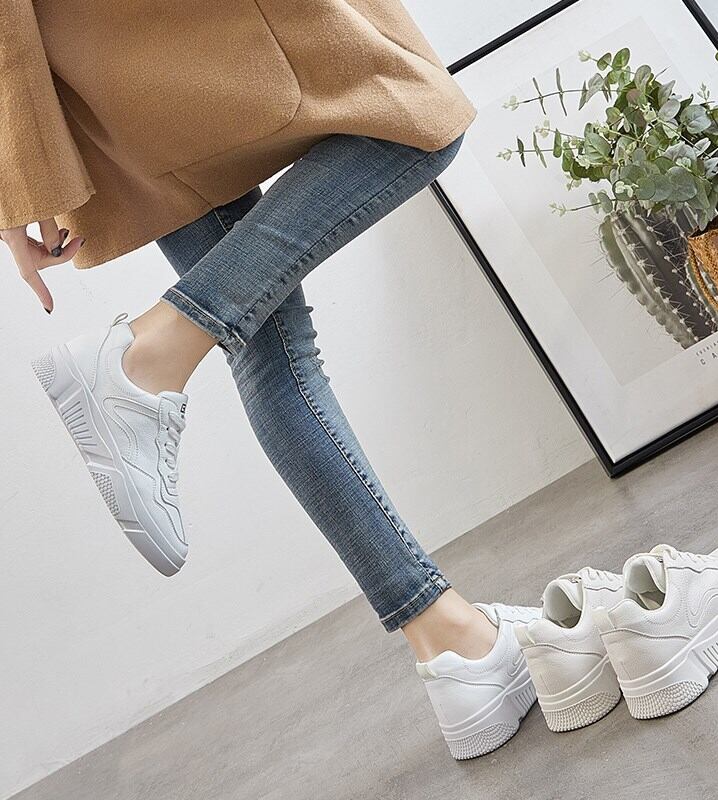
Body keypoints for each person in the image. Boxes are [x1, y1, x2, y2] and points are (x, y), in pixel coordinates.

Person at [1, 1, 540, 760]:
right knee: (420, 120)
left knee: (271, 350)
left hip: (114, 66)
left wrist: (19, 188)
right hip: (172, 27)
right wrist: (16, 185)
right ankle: (145, 357)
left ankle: (455, 648)